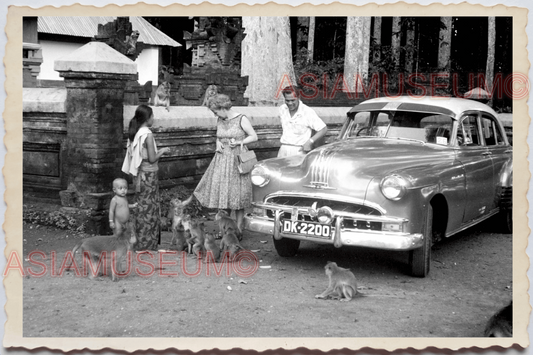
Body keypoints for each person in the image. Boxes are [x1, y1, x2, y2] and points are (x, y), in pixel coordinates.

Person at [194, 94, 258, 233]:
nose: (214, 114)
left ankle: (239, 229)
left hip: (237, 159)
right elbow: (219, 136)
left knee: (238, 195)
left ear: (222, 108)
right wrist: (218, 144)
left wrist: (240, 142)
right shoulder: (220, 119)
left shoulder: (241, 118)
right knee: (223, 194)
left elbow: (254, 136)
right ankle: (224, 229)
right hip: (222, 159)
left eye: (215, 111)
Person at [122, 104, 170, 252]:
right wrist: (162, 151)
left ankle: (138, 242)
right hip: (149, 176)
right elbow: (151, 158)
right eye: (152, 116)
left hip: (139, 176)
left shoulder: (135, 133)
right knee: (149, 209)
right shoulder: (147, 135)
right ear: (147, 118)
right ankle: (147, 245)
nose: (153, 119)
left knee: (141, 208)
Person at [277, 85, 328, 157]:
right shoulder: (282, 109)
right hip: (283, 149)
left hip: (299, 150)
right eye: (287, 100)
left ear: (298, 97)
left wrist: (310, 141)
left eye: (293, 100)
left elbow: (323, 129)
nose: (290, 103)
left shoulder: (307, 111)